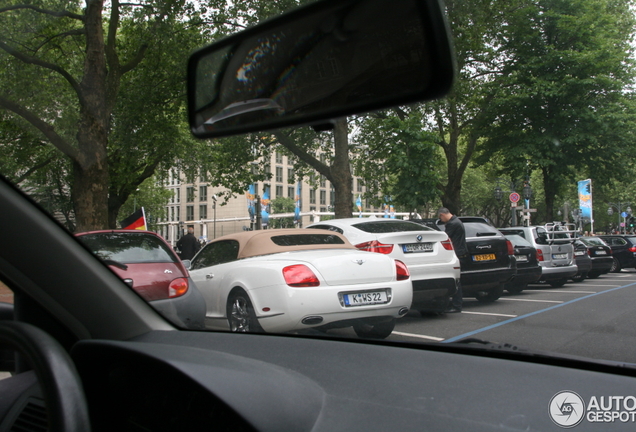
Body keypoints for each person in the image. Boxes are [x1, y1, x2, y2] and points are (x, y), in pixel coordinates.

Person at [438, 208, 468, 313]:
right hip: (462, 252)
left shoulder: (452, 224)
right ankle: (456, 304)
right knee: (457, 280)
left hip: (457, 254)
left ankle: (456, 305)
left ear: (442, 215)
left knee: (456, 280)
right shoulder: (457, 221)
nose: (441, 220)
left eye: (440, 217)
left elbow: (445, 238)